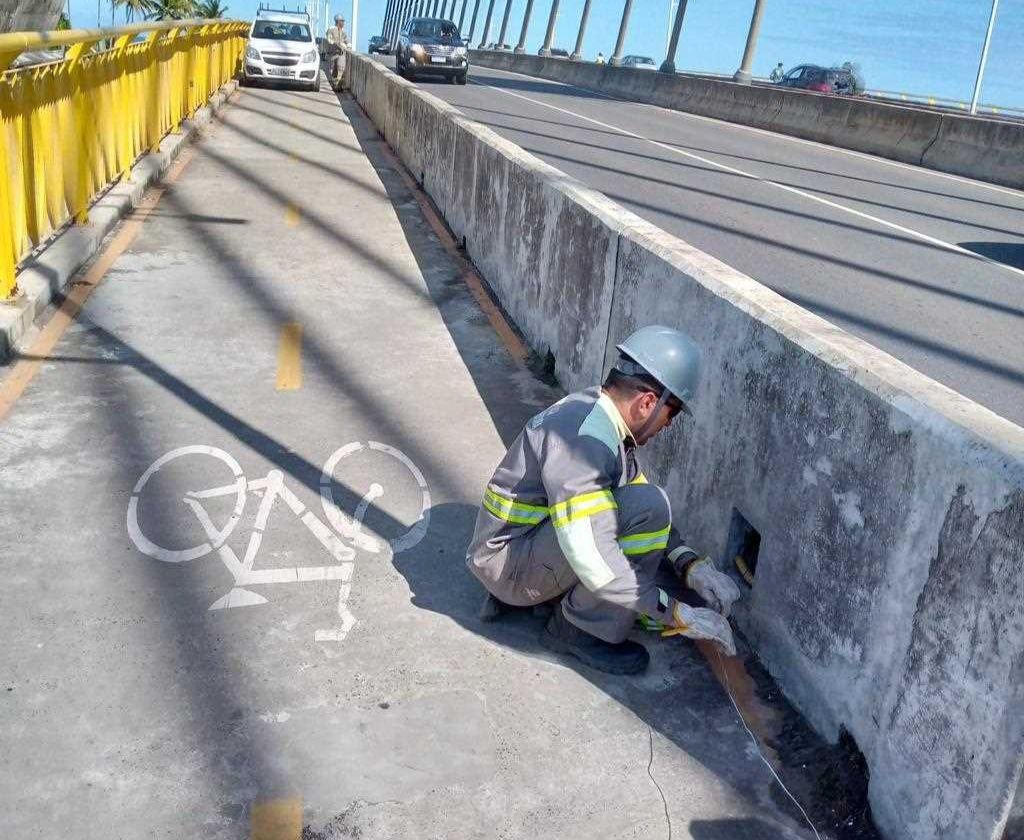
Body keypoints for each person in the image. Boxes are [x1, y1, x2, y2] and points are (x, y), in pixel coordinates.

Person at [466, 325, 741, 675]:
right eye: (671, 415)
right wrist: (675, 612)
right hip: (510, 571)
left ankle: (559, 601)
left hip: (519, 550)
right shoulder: (586, 443)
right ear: (647, 404)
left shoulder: (597, 415)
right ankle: (578, 632)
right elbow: (594, 557)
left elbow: (634, 496)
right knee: (647, 508)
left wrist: (691, 566)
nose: (668, 426)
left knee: (646, 504)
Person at [325, 14, 350, 86]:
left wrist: (348, 45)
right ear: (337, 21)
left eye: (343, 21)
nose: (343, 23)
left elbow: (347, 41)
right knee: (333, 70)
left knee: (341, 68)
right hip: (333, 54)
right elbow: (329, 41)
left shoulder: (343, 31)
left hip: (341, 54)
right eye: (342, 21)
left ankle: (337, 84)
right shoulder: (331, 29)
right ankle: (334, 83)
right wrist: (337, 45)